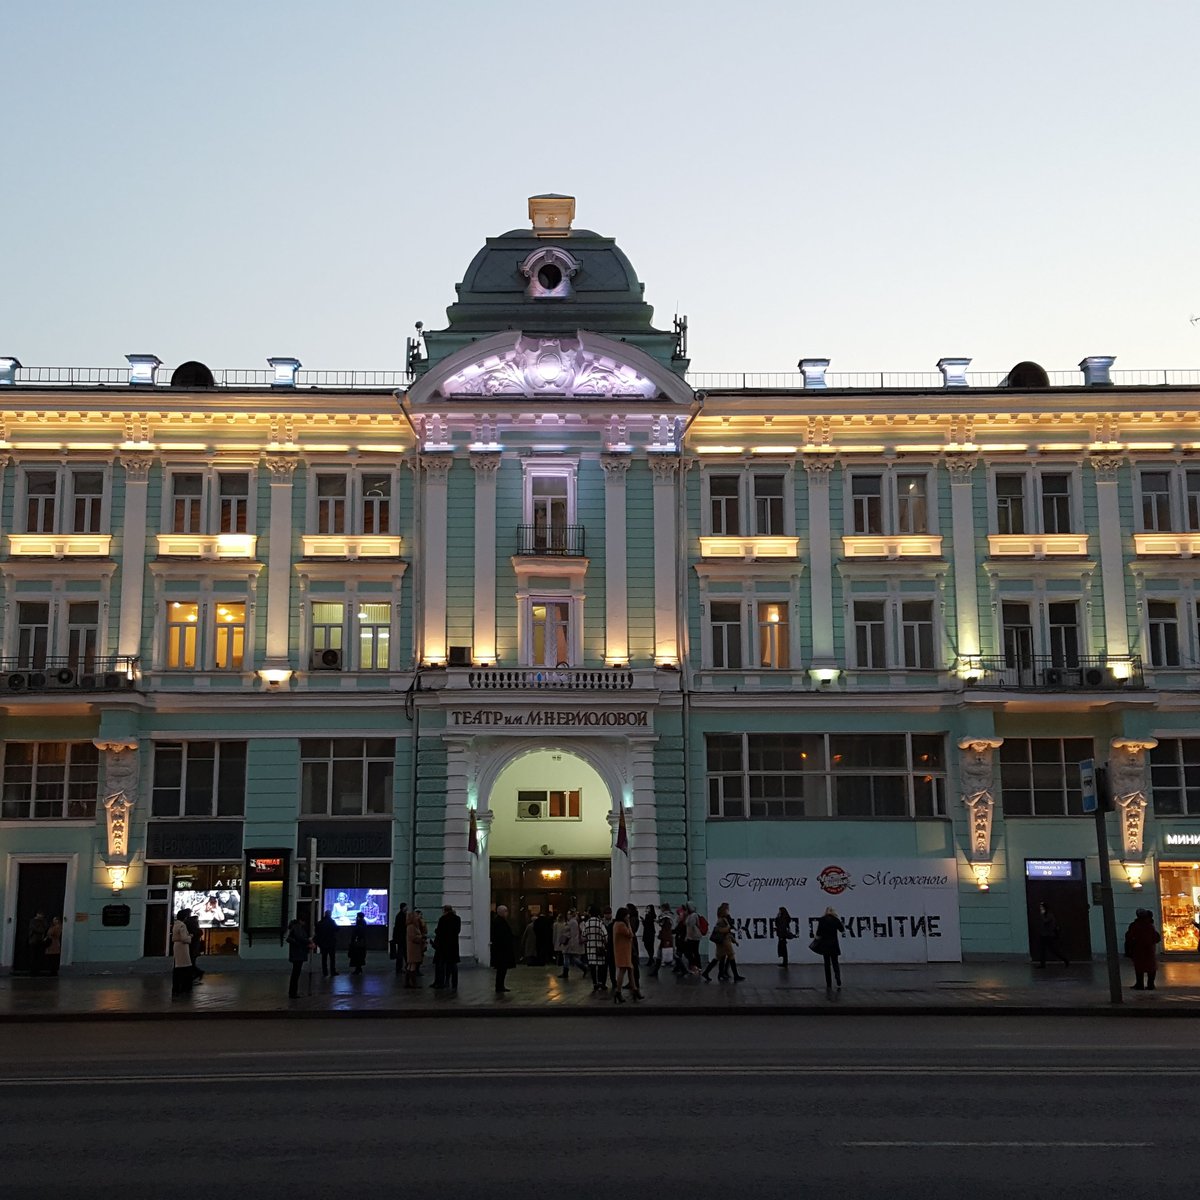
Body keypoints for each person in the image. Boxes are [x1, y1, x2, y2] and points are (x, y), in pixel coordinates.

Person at [1125, 908, 1161, 990]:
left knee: (1139, 967)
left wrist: (1129, 949)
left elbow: (1129, 937)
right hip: (1149, 949)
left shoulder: (1134, 925)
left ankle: (1139, 984)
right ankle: (1150, 984)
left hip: (1138, 950)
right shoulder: (1150, 925)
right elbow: (1156, 937)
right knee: (1151, 967)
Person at [611, 907, 642, 1003]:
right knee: (623, 970)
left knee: (630, 970)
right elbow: (630, 934)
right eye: (627, 914)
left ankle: (635, 990)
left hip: (624, 951)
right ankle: (618, 991)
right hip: (622, 952)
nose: (628, 916)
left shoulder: (617, 924)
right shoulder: (620, 925)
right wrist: (628, 923)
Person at [814, 905, 846, 991]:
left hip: (825, 945)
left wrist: (816, 939)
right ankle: (838, 977)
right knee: (835, 962)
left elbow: (818, 932)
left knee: (827, 964)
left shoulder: (822, 920)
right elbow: (842, 929)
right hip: (834, 945)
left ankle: (829, 983)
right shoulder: (836, 920)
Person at [433, 904, 461, 991]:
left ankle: (443, 982)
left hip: (444, 945)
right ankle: (454, 983)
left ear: (445, 910)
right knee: (453, 965)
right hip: (453, 945)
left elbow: (439, 931)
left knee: (442, 965)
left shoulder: (443, 919)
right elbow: (458, 931)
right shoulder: (457, 918)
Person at [1035, 901, 1070, 967]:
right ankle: (1042, 964)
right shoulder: (1046, 914)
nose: (1040, 908)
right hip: (1043, 935)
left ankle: (1065, 960)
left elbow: (1045, 921)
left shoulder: (1049, 915)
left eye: (1041, 907)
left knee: (1053, 950)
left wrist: (1042, 915)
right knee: (1042, 950)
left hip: (1048, 935)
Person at [582, 905, 608, 992]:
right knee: (601, 966)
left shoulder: (587, 923)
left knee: (592, 966)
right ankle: (601, 982)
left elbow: (583, 937)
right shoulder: (600, 923)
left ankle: (594, 983)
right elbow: (605, 936)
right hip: (599, 948)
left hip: (590, 948)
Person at [491, 905, 516, 994]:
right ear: (501, 912)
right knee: (501, 970)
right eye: (506, 911)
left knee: (502, 970)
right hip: (502, 951)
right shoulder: (499, 922)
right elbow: (501, 936)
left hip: (502, 950)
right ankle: (499, 986)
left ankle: (500, 986)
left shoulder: (500, 921)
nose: (507, 913)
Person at [286, 916, 312, 999]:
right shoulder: (298, 928)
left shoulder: (294, 928)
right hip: (298, 953)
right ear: (301, 921)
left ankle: (292, 992)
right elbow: (301, 939)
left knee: (295, 973)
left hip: (296, 953)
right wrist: (309, 941)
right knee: (296, 973)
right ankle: (293, 993)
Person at [171, 909, 193, 996]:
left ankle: (176, 988)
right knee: (185, 967)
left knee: (178, 967)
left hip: (177, 947)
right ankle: (185, 987)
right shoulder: (182, 925)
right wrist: (190, 937)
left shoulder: (176, 924)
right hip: (182, 948)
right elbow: (184, 938)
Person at [404, 909, 426, 988]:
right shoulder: (411, 927)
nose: (417, 917)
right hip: (413, 948)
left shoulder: (412, 926)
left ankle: (408, 982)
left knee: (410, 965)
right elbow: (413, 937)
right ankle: (413, 983)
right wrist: (421, 937)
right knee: (412, 965)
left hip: (413, 948)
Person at [315, 909, 338, 977]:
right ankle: (332, 971)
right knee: (332, 958)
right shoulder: (332, 922)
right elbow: (337, 929)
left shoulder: (320, 923)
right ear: (330, 915)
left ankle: (325, 972)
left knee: (324, 958)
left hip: (323, 943)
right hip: (331, 943)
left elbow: (317, 932)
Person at [185, 908, 204, 984]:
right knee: (191, 962)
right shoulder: (195, 923)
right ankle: (193, 976)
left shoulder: (189, 923)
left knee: (190, 962)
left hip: (192, 947)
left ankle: (196, 974)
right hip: (194, 947)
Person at [27, 911, 48, 977]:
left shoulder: (43, 921)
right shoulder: (32, 921)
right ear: (37, 914)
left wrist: (41, 929)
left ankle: (37, 971)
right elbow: (35, 929)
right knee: (33, 956)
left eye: (42, 915)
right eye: (40, 915)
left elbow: (45, 928)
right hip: (33, 941)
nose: (41, 916)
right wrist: (40, 929)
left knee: (39, 956)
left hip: (41, 941)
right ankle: (32, 971)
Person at [683, 904, 703, 975]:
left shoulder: (693, 915)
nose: (684, 912)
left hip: (694, 937)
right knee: (694, 952)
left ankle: (695, 967)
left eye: (685, 910)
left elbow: (691, 926)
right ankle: (697, 967)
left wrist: (688, 937)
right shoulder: (690, 916)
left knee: (690, 952)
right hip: (693, 936)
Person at [391, 903, 408, 978]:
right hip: (402, 938)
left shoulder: (400, 915)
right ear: (403, 908)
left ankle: (402, 967)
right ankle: (401, 968)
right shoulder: (401, 916)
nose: (407, 908)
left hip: (400, 938)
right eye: (406, 907)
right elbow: (402, 927)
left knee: (402, 953)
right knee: (401, 953)